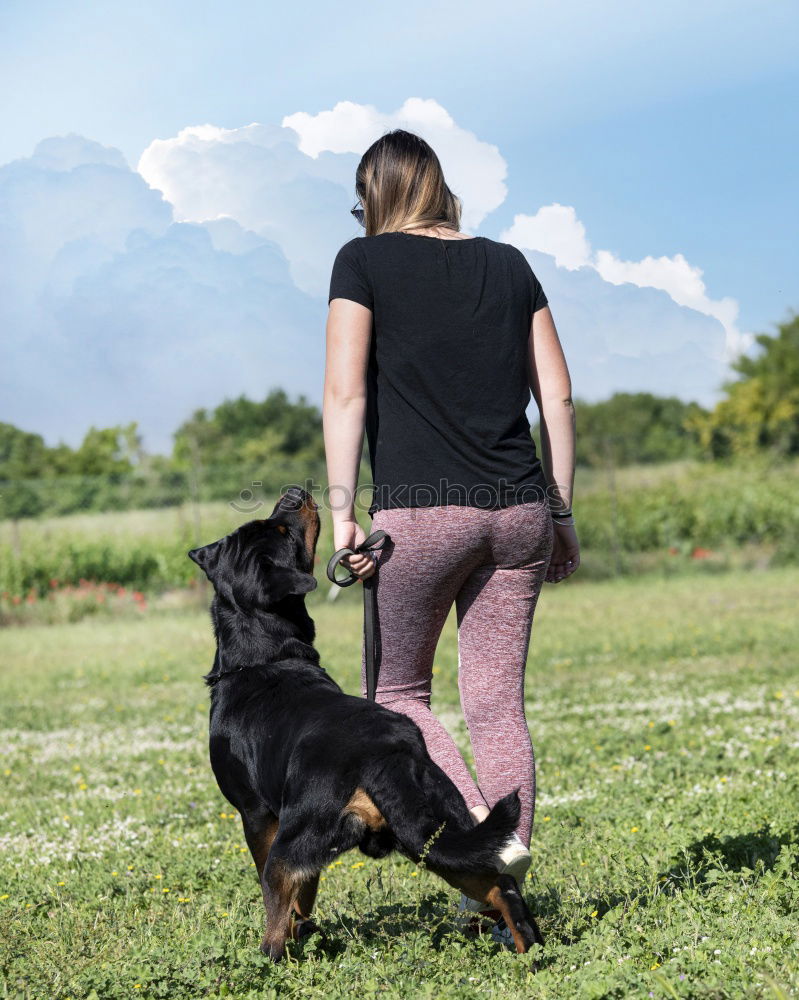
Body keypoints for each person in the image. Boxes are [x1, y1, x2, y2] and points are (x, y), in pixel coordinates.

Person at [323, 129, 578, 941]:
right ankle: (497, 884)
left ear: (375, 197)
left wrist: (341, 514)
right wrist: (561, 509)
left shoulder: (360, 262)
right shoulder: (508, 263)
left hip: (419, 515)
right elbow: (558, 399)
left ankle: (478, 839)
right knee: (497, 703)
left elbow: (342, 395)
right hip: (517, 512)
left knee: (396, 696)